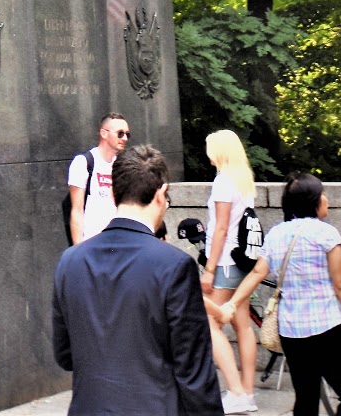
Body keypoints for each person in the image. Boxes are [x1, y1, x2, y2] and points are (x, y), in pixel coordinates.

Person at [53, 143, 223, 415]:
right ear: (161, 194)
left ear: (111, 193)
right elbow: (194, 373)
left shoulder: (70, 261)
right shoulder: (175, 266)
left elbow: (65, 354)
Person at [220, 172, 341, 416]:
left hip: (291, 331)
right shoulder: (326, 233)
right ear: (314, 200)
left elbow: (257, 273)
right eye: (323, 194)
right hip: (326, 328)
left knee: (305, 399)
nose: (327, 199)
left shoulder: (276, 234)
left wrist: (231, 304)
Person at [201, 130, 258, 406]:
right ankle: (247, 392)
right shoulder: (243, 181)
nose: (207, 153)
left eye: (210, 147)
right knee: (243, 325)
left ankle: (236, 392)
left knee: (208, 322)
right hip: (243, 262)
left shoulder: (223, 182)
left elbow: (221, 228)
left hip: (224, 262)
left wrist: (209, 268)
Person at [66, 112, 130, 245]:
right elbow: (77, 210)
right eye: (120, 133)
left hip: (118, 243)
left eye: (127, 134)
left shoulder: (122, 165)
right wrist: (78, 250)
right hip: (92, 243)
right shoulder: (83, 162)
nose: (124, 138)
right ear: (104, 133)